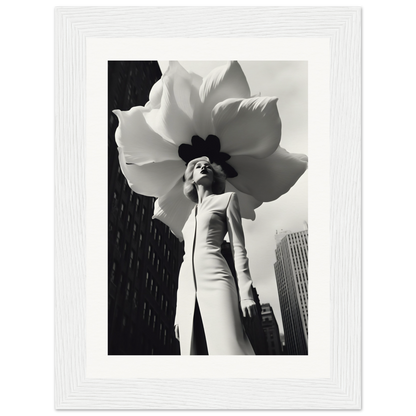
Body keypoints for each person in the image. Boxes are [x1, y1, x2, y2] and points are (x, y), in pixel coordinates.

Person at [173, 156, 257, 355]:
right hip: (187, 287)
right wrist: (179, 311)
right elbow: (186, 260)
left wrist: (246, 294)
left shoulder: (227, 199)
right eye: (198, 167)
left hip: (217, 278)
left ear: (214, 177)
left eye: (208, 167)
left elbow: (238, 247)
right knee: (193, 352)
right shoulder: (188, 216)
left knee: (229, 346)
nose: (203, 167)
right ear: (191, 178)